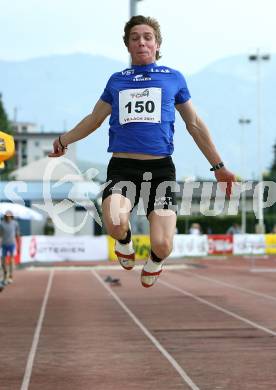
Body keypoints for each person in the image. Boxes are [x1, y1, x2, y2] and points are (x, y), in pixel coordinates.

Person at [49, 15, 236, 288]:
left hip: (160, 170)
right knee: (114, 221)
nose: (142, 42)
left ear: (157, 44)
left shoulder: (173, 78)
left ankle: (156, 260)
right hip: (123, 167)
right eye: (135, 38)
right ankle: (123, 243)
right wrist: (64, 139)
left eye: (148, 37)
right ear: (127, 45)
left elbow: (194, 124)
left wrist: (219, 167)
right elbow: (94, 119)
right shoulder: (117, 81)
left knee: (163, 243)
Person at [0, 211, 20, 285]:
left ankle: (10, 276)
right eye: (6, 215)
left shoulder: (15, 223)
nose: (8, 217)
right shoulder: (2, 223)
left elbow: (17, 234)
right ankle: (5, 274)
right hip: (4, 244)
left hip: (12, 244)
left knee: (11, 260)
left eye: (9, 215)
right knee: (3, 262)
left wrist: (18, 244)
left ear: (11, 216)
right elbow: (0, 235)